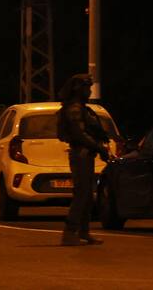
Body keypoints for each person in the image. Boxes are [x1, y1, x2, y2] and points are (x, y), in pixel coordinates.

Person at [56, 73, 111, 247]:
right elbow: (79, 134)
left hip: (86, 155)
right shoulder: (74, 109)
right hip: (81, 155)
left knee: (86, 195)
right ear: (78, 89)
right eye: (87, 87)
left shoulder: (80, 108)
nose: (89, 91)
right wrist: (99, 147)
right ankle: (70, 232)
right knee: (81, 194)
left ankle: (84, 232)